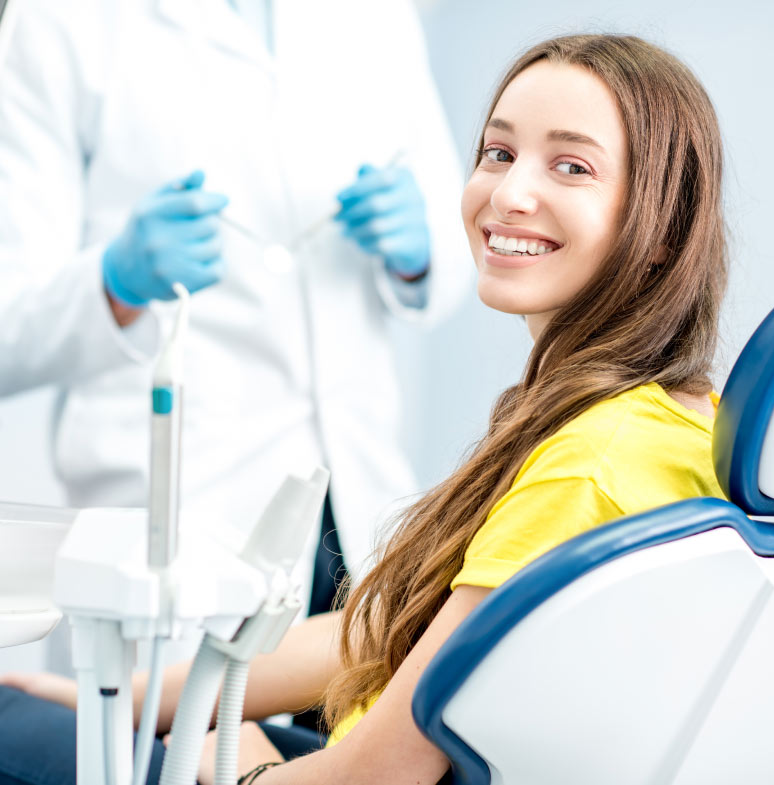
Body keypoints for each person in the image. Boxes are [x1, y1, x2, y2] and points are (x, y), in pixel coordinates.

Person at [0, 33, 728, 784]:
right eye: (497, 153)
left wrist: (239, 769)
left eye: (570, 166)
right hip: (214, 521)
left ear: (663, 229)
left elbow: (376, 774)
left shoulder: (589, 463)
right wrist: (132, 700)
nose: (508, 193)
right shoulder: (664, 417)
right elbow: (386, 629)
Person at [0, 0, 470, 647]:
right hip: (179, 518)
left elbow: (457, 253)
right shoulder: (61, 21)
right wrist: (114, 281)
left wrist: (421, 253)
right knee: (178, 741)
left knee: (345, 731)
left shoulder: (380, 15)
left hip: (357, 506)